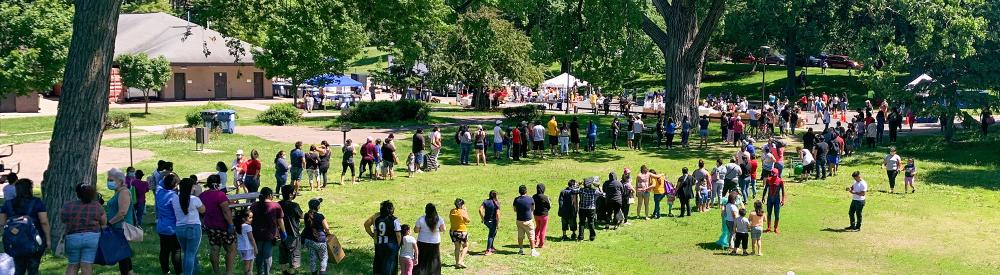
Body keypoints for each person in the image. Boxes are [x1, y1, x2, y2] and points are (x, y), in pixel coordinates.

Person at [0, 179, 49, 275]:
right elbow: (44, 222)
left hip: (15, 241)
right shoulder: (37, 202)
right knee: (33, 269)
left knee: (18, 269)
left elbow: (2, 223)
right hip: (35, 239)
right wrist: (48, 240)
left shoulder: (8, 203)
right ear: (30, 189)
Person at [62, 182, 107, 275]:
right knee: (86, 265)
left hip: (72, 238)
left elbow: (63, 219)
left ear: (77, 193)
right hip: (92, 238)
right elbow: (103, 222)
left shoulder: (68, 206)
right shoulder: (97, 206)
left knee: (73, 265)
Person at [200, 175, 237, 275]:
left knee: (215, 248)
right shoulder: (220, 195)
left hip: (210, 226)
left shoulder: (203, 195)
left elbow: (201, 210)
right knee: (231, 249)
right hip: (223, 226)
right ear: (218, 183)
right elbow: (226, 211)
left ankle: (217, 272)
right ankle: (229, 272)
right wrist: (231, 224)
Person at [104, 168, 136, 275]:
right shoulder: (118, 192)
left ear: (121, 181)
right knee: (124, 257)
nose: (109, 182)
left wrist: (109, 223)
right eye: (108, 180)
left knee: (123, 257)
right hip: (117, 228)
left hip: (122, 228)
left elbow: (122, 212)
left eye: (111, 180)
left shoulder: (124, 192)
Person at [172, 178, 206, 275]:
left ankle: (189, 271)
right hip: (193, 227)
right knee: (190, 254)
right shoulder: (194, 199)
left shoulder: (174, 198)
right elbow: (203, 210)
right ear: (191, 188)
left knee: (186, 253)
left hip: (179, 228)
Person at [251, 187, 286, 275]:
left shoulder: (254, 205)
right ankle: (267, 272)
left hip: (256, 234)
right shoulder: (276, 206)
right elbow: (280, 220)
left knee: (258, 254)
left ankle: (260, 272)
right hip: (270, 234)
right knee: (267, 254)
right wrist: (284, 232)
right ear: (270, 195)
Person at [365, 201, 402, 275]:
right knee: (390, 266)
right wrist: (399, 245)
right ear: (390, 209)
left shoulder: (377, 219)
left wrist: (373, 236)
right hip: (391, 245)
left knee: (379, 264)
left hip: (379, 244)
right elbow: (398, 235)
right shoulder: (394, 220)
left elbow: (374, 230)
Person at [156, 173, 183, 274]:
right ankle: (178, 271)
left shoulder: (159, 192)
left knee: (164, 250)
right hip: (173, 228)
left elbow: (160, 182)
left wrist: (168, 176)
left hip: (161, 227)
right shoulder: (174, 197)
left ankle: (165, 270)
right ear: (175, 185)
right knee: (176, 250)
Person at [278, 185, 303, 274]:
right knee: (294, 256)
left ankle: (284, 272)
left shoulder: (278, 204)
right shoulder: (294, 205)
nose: (295, 193)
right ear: (290, 194)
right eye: (293, 192)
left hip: (281, 234)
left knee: (283, 256)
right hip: (293, 234)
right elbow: (301, 215)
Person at [414, 203, 445, 274]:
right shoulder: (439, 219)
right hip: (435, 242)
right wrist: (437, 230)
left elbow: (416, 230)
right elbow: (443, 229)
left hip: (422, 241)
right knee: (434, 259)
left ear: (426, 210)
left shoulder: (421, 219)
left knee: (422, 259)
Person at [302, 198, 330, 275]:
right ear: (318, 207)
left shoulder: (306, 215)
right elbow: (327, 228)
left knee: (312, 258)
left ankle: (314, 273)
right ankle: (322, 272)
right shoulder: (320, 216)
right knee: (323, 258)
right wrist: (328, 233)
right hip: (320, 240)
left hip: (309, 240)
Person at [512, 185, 539, 256]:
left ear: (519, 192)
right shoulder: (530, 199)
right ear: (526, 191)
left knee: (520, 236)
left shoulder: (516, 199)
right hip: (528, 220)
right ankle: (533, 250)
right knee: (531, 235)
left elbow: (515, 209)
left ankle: (521, 249)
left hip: (519, 220)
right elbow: (533, 208)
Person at [448, 199, 471, 269]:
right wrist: (465, 211)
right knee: (465, 246)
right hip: (462, 231)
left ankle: (457, 263)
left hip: (453, 231)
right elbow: (468, 220)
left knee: (457, 247)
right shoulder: (463, 212)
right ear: (462, 205)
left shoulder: (452, 211)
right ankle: (461, 261)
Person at [761, 168, 785, 234]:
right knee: (769, 213)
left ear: (777, 174)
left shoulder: (780, 181)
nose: (773, 176)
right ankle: (769, 227)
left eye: (775, 175)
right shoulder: (768, 180)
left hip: (777, 199)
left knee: (776, 214)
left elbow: (783, 191)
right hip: (769, 199)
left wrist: (783, 200)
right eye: (773, 175)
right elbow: (765, 189)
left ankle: (775, 228)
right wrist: (763, 197)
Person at [234, 210, 257, 275]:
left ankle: (249, 273)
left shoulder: (238, 226)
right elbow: (251, 239)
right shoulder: (247, 226)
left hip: (241, 248)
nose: (252, 219)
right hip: (248, 248)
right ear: (243, 218)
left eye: (252, 217)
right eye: (250, 217)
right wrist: (255, 248)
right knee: (248, 265)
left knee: (247, 264)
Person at [478, 191, 500, 255]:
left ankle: (491, 247)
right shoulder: (496, 203)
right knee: (491, 234)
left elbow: (480, 209)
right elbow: (498, 214)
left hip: (486, 221)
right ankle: (488, 250)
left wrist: (483, 219)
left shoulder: (486, 201)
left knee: (494, 232)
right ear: (495, 196)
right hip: (493, 221)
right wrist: (498, 223)